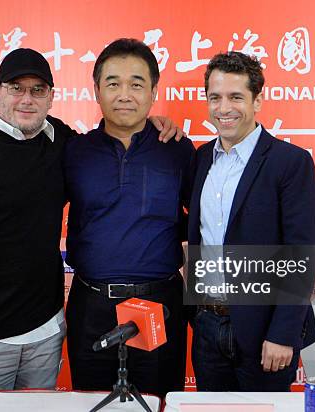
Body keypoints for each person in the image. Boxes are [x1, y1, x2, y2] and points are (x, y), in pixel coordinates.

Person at [0, 47, 182, 390]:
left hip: (48, 327)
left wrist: (158, 125)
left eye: (38, 90)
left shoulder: (62, 142)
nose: (27, 99)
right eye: (16, 88)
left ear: (51, 97)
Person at [64, 38, 195, 398]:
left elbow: (202, 223)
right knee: (92, 402)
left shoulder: (178, 150)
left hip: (157, 304)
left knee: (154, 401)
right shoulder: (74, 151)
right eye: (113, 83)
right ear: (96, 91)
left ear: (154, 92)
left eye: (136, 84)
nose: (125, 94)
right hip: (91, 305)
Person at [187, 51, 315, 391]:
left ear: (258, 100)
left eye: (236, 97)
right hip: (207, 327)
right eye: (214, 97)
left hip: (265, 334)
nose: (223, 108)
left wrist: (283, 334)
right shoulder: (201, 159)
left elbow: (299, 255)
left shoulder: (290, 163)